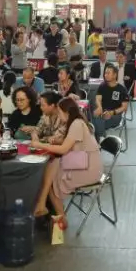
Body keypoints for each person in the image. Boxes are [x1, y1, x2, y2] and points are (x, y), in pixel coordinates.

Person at [31, 97, 103, 229]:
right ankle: (46, 207)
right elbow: (69, 143)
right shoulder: (77, 122)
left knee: (51, 177)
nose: (58, 115)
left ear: (67, 112)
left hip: (88, 169)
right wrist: (56, 142)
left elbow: (64, 149)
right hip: (84, 162)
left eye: (59, 112)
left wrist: (39, 144)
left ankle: (57, 216)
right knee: (52, 165)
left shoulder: (76, 124)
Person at [93, 64, 128, 139]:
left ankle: (100, 137)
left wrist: (112, 112)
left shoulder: (122, 89)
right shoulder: (102, 86)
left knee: (96, 122)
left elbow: (124, 107)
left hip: (115, 115)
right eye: (105, 73)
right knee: (95, 115)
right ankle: (101, 138)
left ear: (115, 75)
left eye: (108, 73)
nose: (105, 75)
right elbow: (98, 98)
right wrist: (99, 107)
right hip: (103, 112)